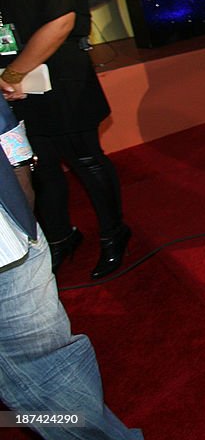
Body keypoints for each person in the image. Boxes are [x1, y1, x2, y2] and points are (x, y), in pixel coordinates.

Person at [0, 0, 131, 279]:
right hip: (14, 80)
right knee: (39, 164)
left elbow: (60, 21)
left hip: (57, 73)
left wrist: (14, 75)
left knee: (85, 158)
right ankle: (60, 237)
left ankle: (114, 234)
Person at [0, 100, 143, 438]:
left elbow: (8, 133)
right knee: (45, 382)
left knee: (52, 377)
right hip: (15, 238)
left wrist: (26, 221)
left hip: (12, 240)